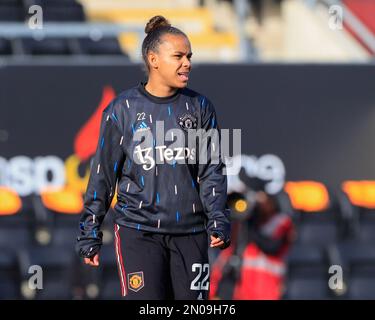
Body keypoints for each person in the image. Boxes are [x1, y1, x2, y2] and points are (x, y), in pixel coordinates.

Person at [76, 15, 231, 300]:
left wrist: (218, 217)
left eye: (189, 56)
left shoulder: (200, 107)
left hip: (191, 233)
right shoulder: (122, 109)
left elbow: (212, 170)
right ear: (153, 59)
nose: (187, 63)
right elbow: (102, 177)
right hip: (138, 232)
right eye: (179, 56)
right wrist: (90, 232)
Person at [210, 190, 294, 300]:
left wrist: (250, 219)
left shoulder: (281, 222)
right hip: (243, 290)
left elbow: (271, 245)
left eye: (263, 199)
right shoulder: (242, 225)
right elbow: (226, 259)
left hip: (266, 289)